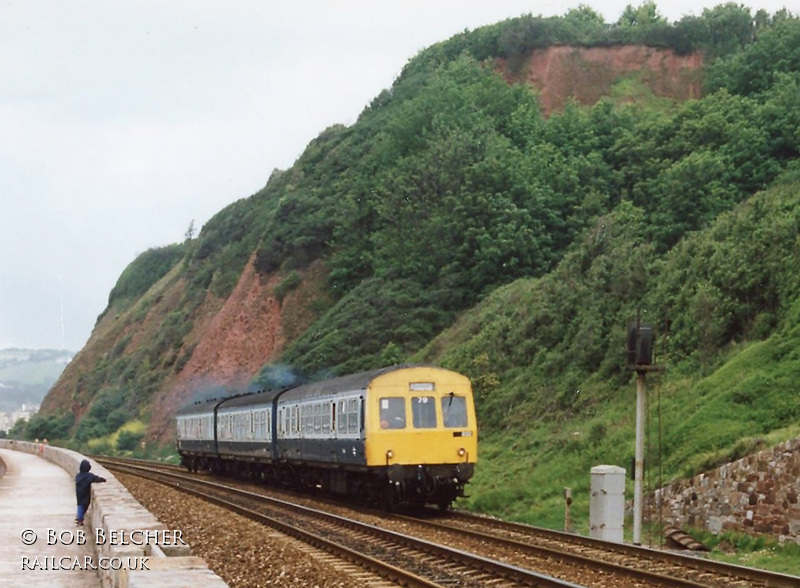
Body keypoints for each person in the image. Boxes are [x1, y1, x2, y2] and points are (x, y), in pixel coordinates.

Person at [75, 459, 106, 526]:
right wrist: (103, 479)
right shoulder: (89, 476)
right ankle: (79, 518)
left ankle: (79, 518)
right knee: (84, 505)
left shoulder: (78, 476)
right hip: (86, 493)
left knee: (80, 505)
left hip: (79, 493)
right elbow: (96, 478)